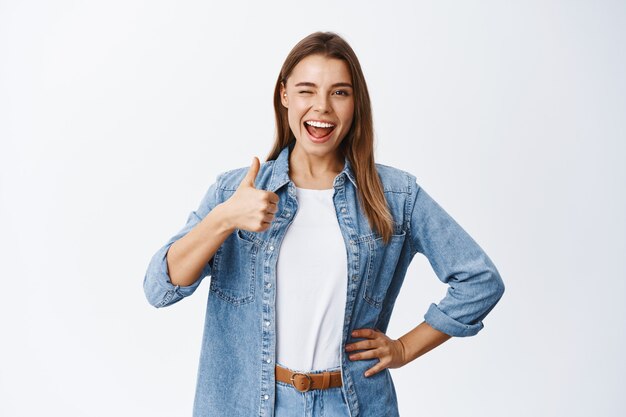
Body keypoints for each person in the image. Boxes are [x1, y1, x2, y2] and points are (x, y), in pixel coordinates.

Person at [143, 31, 505, 417]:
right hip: (248, 404)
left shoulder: (395, 197)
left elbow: (479, 280)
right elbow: (159, 288)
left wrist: (402, 349)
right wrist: (224, 218)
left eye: (339, 93)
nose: (322, 107)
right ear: (284, 96)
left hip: (350, 404)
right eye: (306, 90)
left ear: (355, 103)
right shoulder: (235, 191)